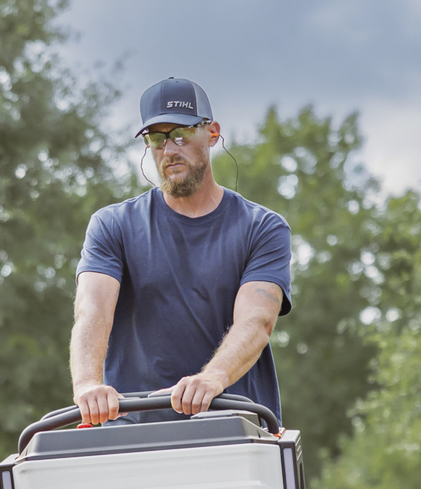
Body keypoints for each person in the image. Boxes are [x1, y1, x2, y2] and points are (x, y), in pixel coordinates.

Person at [70, 76, 292, 427]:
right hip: (135, 431)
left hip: (234, 425)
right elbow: (93, 311)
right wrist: (87, 385)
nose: (169, 150)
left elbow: (257, 321)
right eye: (157, 139)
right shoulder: (112, 225)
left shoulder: (261, 227)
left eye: (181, 134)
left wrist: (212, 378)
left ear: (213, 134)